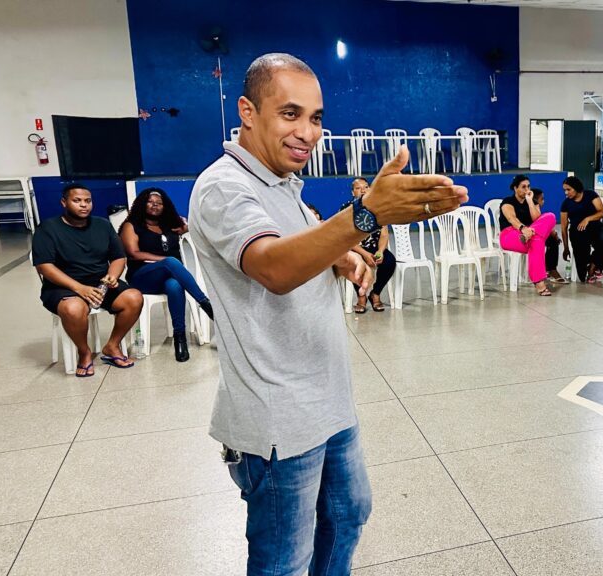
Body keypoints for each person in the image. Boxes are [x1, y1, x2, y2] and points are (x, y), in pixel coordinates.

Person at [189, 53, 467, 576]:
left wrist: (341, 256)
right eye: (290, 114)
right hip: (277, 419)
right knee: (283, 561)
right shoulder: (226, 186)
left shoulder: (281, 183)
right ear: (247, 111)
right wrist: (366, 215)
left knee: (347, 516)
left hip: (328, 400)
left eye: (315, 118)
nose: (308, 132)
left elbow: (290, 243)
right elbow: (272, 266)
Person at [32, 183, 144, 376]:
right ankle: (84, 352)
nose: (84, 205)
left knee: (134, 298)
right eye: (77, 201)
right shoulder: (48, 228)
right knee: (73, 308)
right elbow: (45, 267)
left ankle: (112, 346)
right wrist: (79, 288)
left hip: (100, 283)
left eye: (87, 201)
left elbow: (118, 257)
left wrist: (112, 276)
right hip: (63, 285)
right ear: (64, 202)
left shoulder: (102, 225)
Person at [120, 188, 214, 362]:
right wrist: (165, 260)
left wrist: (185, 226)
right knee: (171, 262)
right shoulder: (131, 225)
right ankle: (205, 304)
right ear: (142, 203)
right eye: (150, 201)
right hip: (142, 277)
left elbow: (191, 229)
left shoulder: (169, 226)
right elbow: (133, 253)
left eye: (159, 203)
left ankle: (180, 338)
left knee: (174, 285)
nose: (155, 205)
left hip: (166, 278)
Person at [341, 178, 396, 313]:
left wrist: (381, 251)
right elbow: (347, 239)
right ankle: (361, 297)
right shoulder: (347, 210)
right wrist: (364, 254)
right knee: (354, 263)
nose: (363, 191)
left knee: (389, 262)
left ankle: (375, 293)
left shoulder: (379, 208)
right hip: (355, 248)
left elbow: (383, 234)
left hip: (375, 248)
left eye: (366, 187)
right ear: (353, 192)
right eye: (358, 188)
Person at [499, 174, 556, 296]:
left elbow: (537, 220)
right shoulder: (508, 201)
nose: (527, 190)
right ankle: (539, 283)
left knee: (550, 216)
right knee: (537, 240)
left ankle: (539, 283)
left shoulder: (532, 201)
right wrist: (523, 228)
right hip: (509, 235)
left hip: (528, 236)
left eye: (528, 186)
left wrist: (530, 202)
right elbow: (511, 218)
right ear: (515, 188)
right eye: (523, 187)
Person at [560, 176, 603, 283]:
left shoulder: (590, 195)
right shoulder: (566, 204)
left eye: (568, 189)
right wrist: (565, 247)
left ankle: (593, 266)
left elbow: (602, 212)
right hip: (577, 230)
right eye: (564, 190)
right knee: (582, 271)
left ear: (576, 188)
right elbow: (564, 227)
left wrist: (587, 219)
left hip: (595, 227)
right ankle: (590, 267)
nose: (566, 192)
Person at [533, 188, 568, 284]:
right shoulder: (532, 208)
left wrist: (552, 232)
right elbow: (538, 223)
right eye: (542, 199)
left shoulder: (537, 208)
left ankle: (550, 268)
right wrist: (552, 232)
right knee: (552, 239)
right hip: (528, 235)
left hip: (537, 234)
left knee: (552, 240)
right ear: (535, 200)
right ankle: (550, 269)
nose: (543, 201)